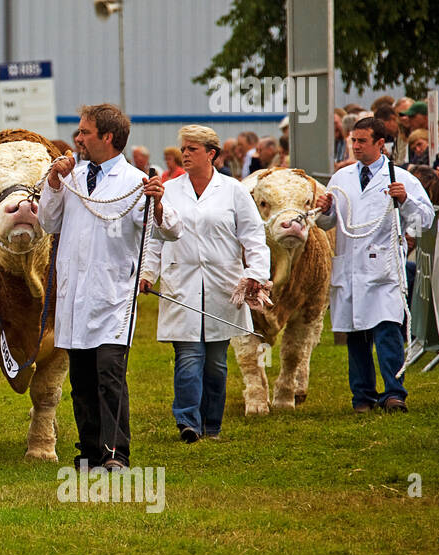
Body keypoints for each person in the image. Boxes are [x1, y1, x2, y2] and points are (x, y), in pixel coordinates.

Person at [39, 104, 181, 470]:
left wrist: (159, 203)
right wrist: (54, 183)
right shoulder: (71, 176)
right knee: (82, 378)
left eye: (85, 132)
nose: (78, 138)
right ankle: (89, 451)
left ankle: (116, 452)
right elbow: (48, 221)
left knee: (109, 373)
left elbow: (169, 230)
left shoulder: (136, 181)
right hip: (75, 294)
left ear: (107, 137)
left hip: (113, 295)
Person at [140, 126, 269, 443]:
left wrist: (256, 273)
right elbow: (154, 240)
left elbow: (253, 236)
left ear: (211, 154)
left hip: (222, 284)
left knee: (215, 363)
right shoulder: (168, 190)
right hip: (180, 282)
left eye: (192, 149)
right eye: (183, 148)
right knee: (188, 357)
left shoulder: (233, 190)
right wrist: (147, 273)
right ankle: (188, 422)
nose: (185, 154)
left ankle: (212, 425)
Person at [314, 117, 434, 412]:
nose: (355, 146)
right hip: (351, 268)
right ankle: (363, 396)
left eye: (362, 141)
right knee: (356, 337)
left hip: (384, 268)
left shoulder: (402, 179)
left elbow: (424, 221)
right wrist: (325, 210)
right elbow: (326, 222)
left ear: (381, 144)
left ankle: (394, 393)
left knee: (387, 332)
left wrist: (405, 201)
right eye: (353, 140)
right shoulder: (341, 179)